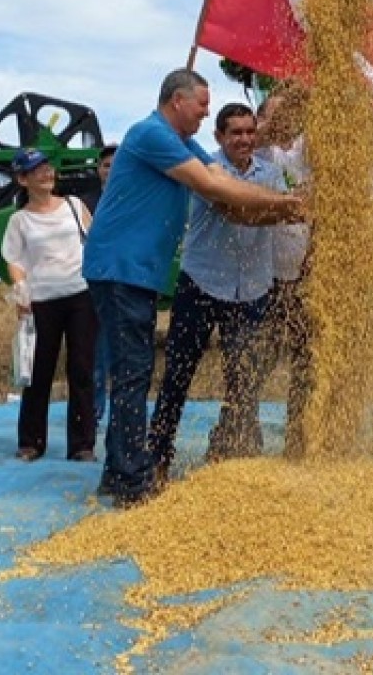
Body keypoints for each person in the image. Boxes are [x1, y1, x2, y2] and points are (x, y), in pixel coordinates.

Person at [82, 68, 303, 508]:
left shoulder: (182, 144)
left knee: (136, 371)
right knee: (133, 373)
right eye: (203, 105)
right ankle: (133, 479)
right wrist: (293, 203)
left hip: (139, 271)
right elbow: (212, 183)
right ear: (177, 101)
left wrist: (285, 205)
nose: (205, 112)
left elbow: (226, 192)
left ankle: (118, 470)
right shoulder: (150, 133)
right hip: (121, 267)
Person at [148, 103, 291, 479]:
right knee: (178, 374)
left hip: (253, 290)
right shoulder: (206, 171)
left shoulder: (273, 174)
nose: (244, 139)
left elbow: (278, 214)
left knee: (244, 379)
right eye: (236, 133)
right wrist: (294, 205)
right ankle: (158, 457)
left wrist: (288, 206)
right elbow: (236, 210)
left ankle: (229, 454)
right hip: (202, 284)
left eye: (249, 132)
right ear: (219, 137)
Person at [2, 147, 99, 462]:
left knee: (82, 370)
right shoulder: (19, 220)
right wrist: (20, 292)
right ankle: (31, 442)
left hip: (81, 294)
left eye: (48, 167)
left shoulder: (74, 205)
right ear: (23, 178)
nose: (46, 173)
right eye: (37, 169)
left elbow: (94, 239)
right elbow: (14, 260)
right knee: (38, 372)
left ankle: (82, 445)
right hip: (41, 301)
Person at [252, 85, 313, 458]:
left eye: (289, 114)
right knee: (257, 360)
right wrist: (268, 124)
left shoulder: (308, 148)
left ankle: (298, 440)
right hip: (264, 279)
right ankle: (241, 434)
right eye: (275, 115)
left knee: (306, 363)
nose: (284, 121)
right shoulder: (257, 151)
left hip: (306, 276)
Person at [91, 143, 118, 428]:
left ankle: (121, 413)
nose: (110, 171)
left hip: (125, 284)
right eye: (105, 166)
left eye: (115, 165)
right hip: (95, 285)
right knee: (97, 354)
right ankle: (95, 411)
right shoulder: (85, 203)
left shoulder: (134, 199)